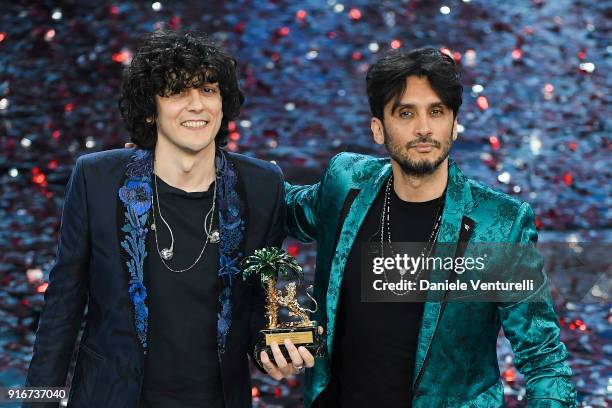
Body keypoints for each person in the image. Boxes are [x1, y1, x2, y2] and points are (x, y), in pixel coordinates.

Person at [25, 30, 313, 408]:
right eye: (178, 92)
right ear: (150, 108)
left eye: (209, 90)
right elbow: (62, 309)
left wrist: (275, 350)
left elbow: (259, 302)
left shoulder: (261, 184)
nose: (198, 105)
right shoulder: (96, 178)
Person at [284, 48, 577, 407]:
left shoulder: (499, 223)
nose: (423, 128)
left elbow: (543, 358)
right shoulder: (346, 184)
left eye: (436, 112)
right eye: (406, 113)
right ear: (378, 128)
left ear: (454, 124)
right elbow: (274, 207)